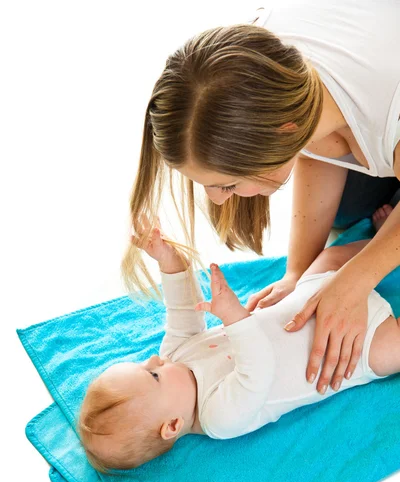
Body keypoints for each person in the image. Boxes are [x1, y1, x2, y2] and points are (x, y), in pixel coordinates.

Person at [121, 0, 400, 400]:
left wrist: (355, 281)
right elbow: (316, 143)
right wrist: (298, 274)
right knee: (348, 209)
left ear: (284, 134)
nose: (218, 202)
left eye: (228, 185)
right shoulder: (255, 68)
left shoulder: (387, 99)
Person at [79, 214, 399, 473]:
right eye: (152, 375)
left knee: (330, 255)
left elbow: (182, 310)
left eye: (141, 364)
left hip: (314, 294)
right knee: (392, 351)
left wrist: (169, 261)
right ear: (173, 425)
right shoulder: (219, 417)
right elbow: (257, 368)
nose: (151, 359)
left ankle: (387, 242)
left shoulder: (174, 356)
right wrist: (233, 315)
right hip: (355, 348)